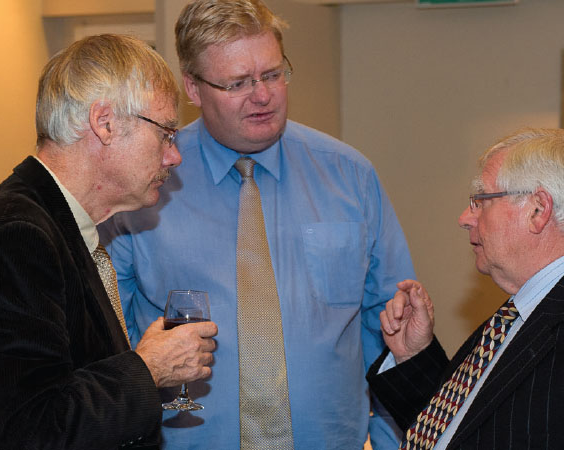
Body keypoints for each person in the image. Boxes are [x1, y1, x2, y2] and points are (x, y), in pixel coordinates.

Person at [97, 0, 414, 448]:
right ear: (193, 87)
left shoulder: (350, 177)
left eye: (272, 74)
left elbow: (394, 335)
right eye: (238, 83)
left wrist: (389, 443)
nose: (263, 95)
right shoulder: (145, 188)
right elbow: (110, 343)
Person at [0, 34, 218, 450]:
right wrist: (148, 369)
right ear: (104, 123)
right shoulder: (15, 237)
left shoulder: (58, 225)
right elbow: (27, 431)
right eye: (165, 133)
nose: (174, 156)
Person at [367, 128, 564, 449]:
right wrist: (412, 355)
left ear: (538, 209)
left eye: (481, 200)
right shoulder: (514, 316)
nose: (465, 218)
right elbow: (460, 429)